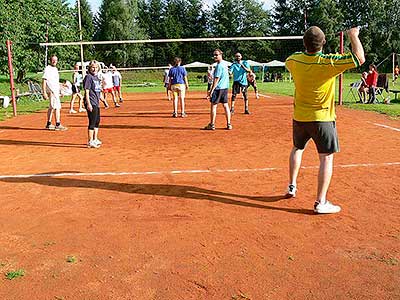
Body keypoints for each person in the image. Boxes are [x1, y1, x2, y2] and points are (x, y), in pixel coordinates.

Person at [285, 26, 365, 214]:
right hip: (322, 118)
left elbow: (291, 61)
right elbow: (359, 58)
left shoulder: (293, 60)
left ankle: (292, 186)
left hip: (300, 117)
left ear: (304, 43)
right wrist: (353, 35)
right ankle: (321, 202)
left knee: (297, 148)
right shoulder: (329, 62)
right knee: (326, 158)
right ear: (324, 43)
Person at [204, 49, 232, 130]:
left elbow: (216, 80)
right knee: (225, 105)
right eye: (214, 55)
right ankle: (229, 124)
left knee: (214, 106)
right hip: (224, 88)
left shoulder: (219, 66)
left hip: (218, 88)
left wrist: (211, 91)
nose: (215, 56)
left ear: (221, 54)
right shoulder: (225, 64)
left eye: (216, 55)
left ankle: (212, 124)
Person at [42, 55, 67, 131]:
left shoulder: (55, 69)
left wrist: (61, 90)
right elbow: (44, 80)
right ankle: (58, 124)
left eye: (56, 60)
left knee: (52, 107)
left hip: (56, 91)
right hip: (52, 91)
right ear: (50, 60)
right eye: (53, 60)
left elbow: (55, 82)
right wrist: (44, 92)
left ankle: (49, 123)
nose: (54, 61)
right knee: (57, 107)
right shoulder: (47, 69)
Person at [83, 60, 103, 149]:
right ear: (89, 68)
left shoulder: (97, 78)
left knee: (97, 121)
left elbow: (98, 92)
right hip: (91, 101)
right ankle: (90, 141)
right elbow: (87, 91)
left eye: (96, 67)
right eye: (92, 67)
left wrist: (104, 101)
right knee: (92, 121)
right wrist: (88, 104)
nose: (94, 69)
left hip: (96, 102)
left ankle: (95, 139)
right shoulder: (88, 77)